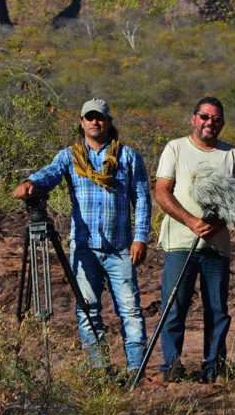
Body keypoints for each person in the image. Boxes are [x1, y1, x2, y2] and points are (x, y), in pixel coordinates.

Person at [12, 98, 151, 372]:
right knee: (87, 310)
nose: (95, 122)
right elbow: (50, 174)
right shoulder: (69, 156)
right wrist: (31, 183)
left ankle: (136, 371)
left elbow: (142, 198)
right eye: (89, 117)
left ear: (109, 121)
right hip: (85, 247)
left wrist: (141, 237)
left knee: (131, 312)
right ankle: (100, 371)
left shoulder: (128, 157)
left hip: (120, 247)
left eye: (99, 117)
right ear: (81, 122)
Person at [153, 96, 235, 383]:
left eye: (216, 119)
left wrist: (215, 222)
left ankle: (214, 368)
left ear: (222, 123)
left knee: (217, 309)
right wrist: (191, 221)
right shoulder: (176, 148)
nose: (210, 123)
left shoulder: (230, 154)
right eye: (205, 117)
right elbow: (162, 192)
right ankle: (171, 367)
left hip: (216, 247)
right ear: (194, 118)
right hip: (180, 243)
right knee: (174, 305)